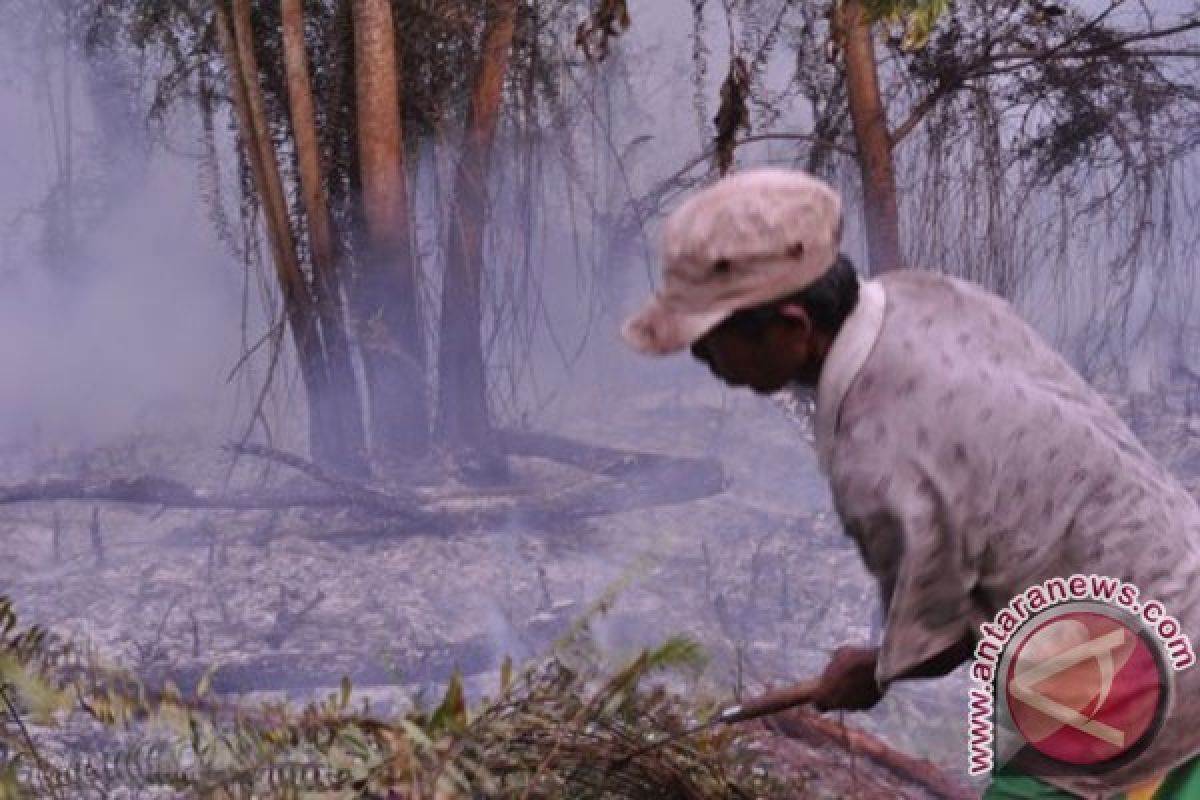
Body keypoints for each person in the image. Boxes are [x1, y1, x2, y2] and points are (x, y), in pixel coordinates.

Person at [620, 167, 1200, 799]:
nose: (709, 366)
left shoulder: (874, 451)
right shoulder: (927, 296)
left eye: (710, 346)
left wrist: (872, 670)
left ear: (792, 327)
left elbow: (942, 633)